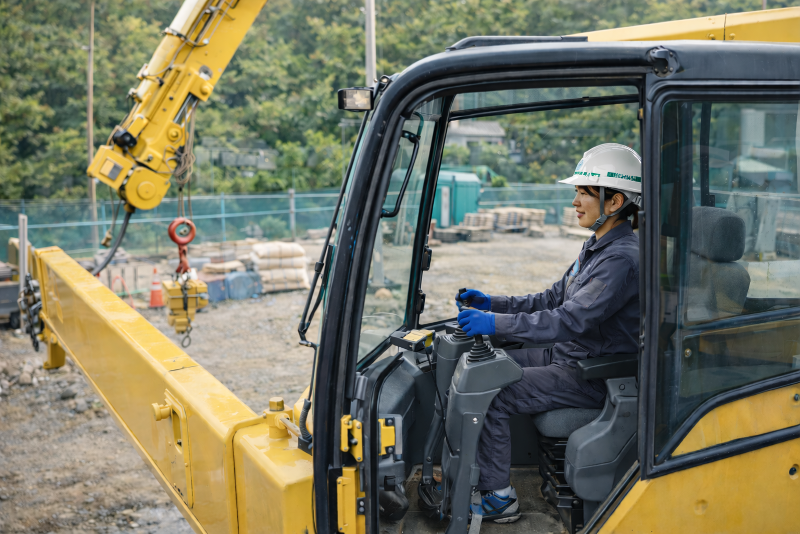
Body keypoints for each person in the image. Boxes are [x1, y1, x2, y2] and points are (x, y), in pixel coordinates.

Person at [455, 143, 642, 523]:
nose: (575, 201)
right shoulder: (597, 247)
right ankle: (471, 473)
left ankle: (498, 498)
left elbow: (567, 320)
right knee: (484, 366)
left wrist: (494, 324)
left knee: (494, 389)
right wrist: (493, 303)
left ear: (615, 201)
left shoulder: (621, 259)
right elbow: (552, 298)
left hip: (593, 373)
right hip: (569, 354)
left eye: (584, 193)